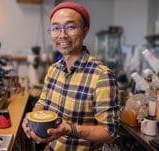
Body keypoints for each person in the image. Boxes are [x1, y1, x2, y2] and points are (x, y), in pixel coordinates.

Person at [22, 1, 118, 150]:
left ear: (85, 31)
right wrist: (32, 120)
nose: (62, 35)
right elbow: (42, 103)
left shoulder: (102, 75)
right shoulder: (53, 69)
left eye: (71, 27)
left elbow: (110, 133)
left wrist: (69, 129)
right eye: (55, 28)